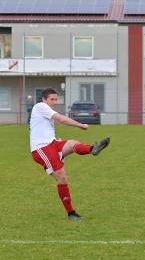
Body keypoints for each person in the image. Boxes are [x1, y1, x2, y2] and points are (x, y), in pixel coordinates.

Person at [29, 88, 110, 220]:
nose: (54, 102)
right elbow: (61, 119)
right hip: (41, 149)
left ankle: (93, 149)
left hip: (52, 144)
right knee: (62, 178)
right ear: (44, 99)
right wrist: (80, 125)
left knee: (72, 143)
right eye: (52, 99)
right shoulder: (40, 106)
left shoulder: (45, 109)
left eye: (56, 99)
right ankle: (71, 213)